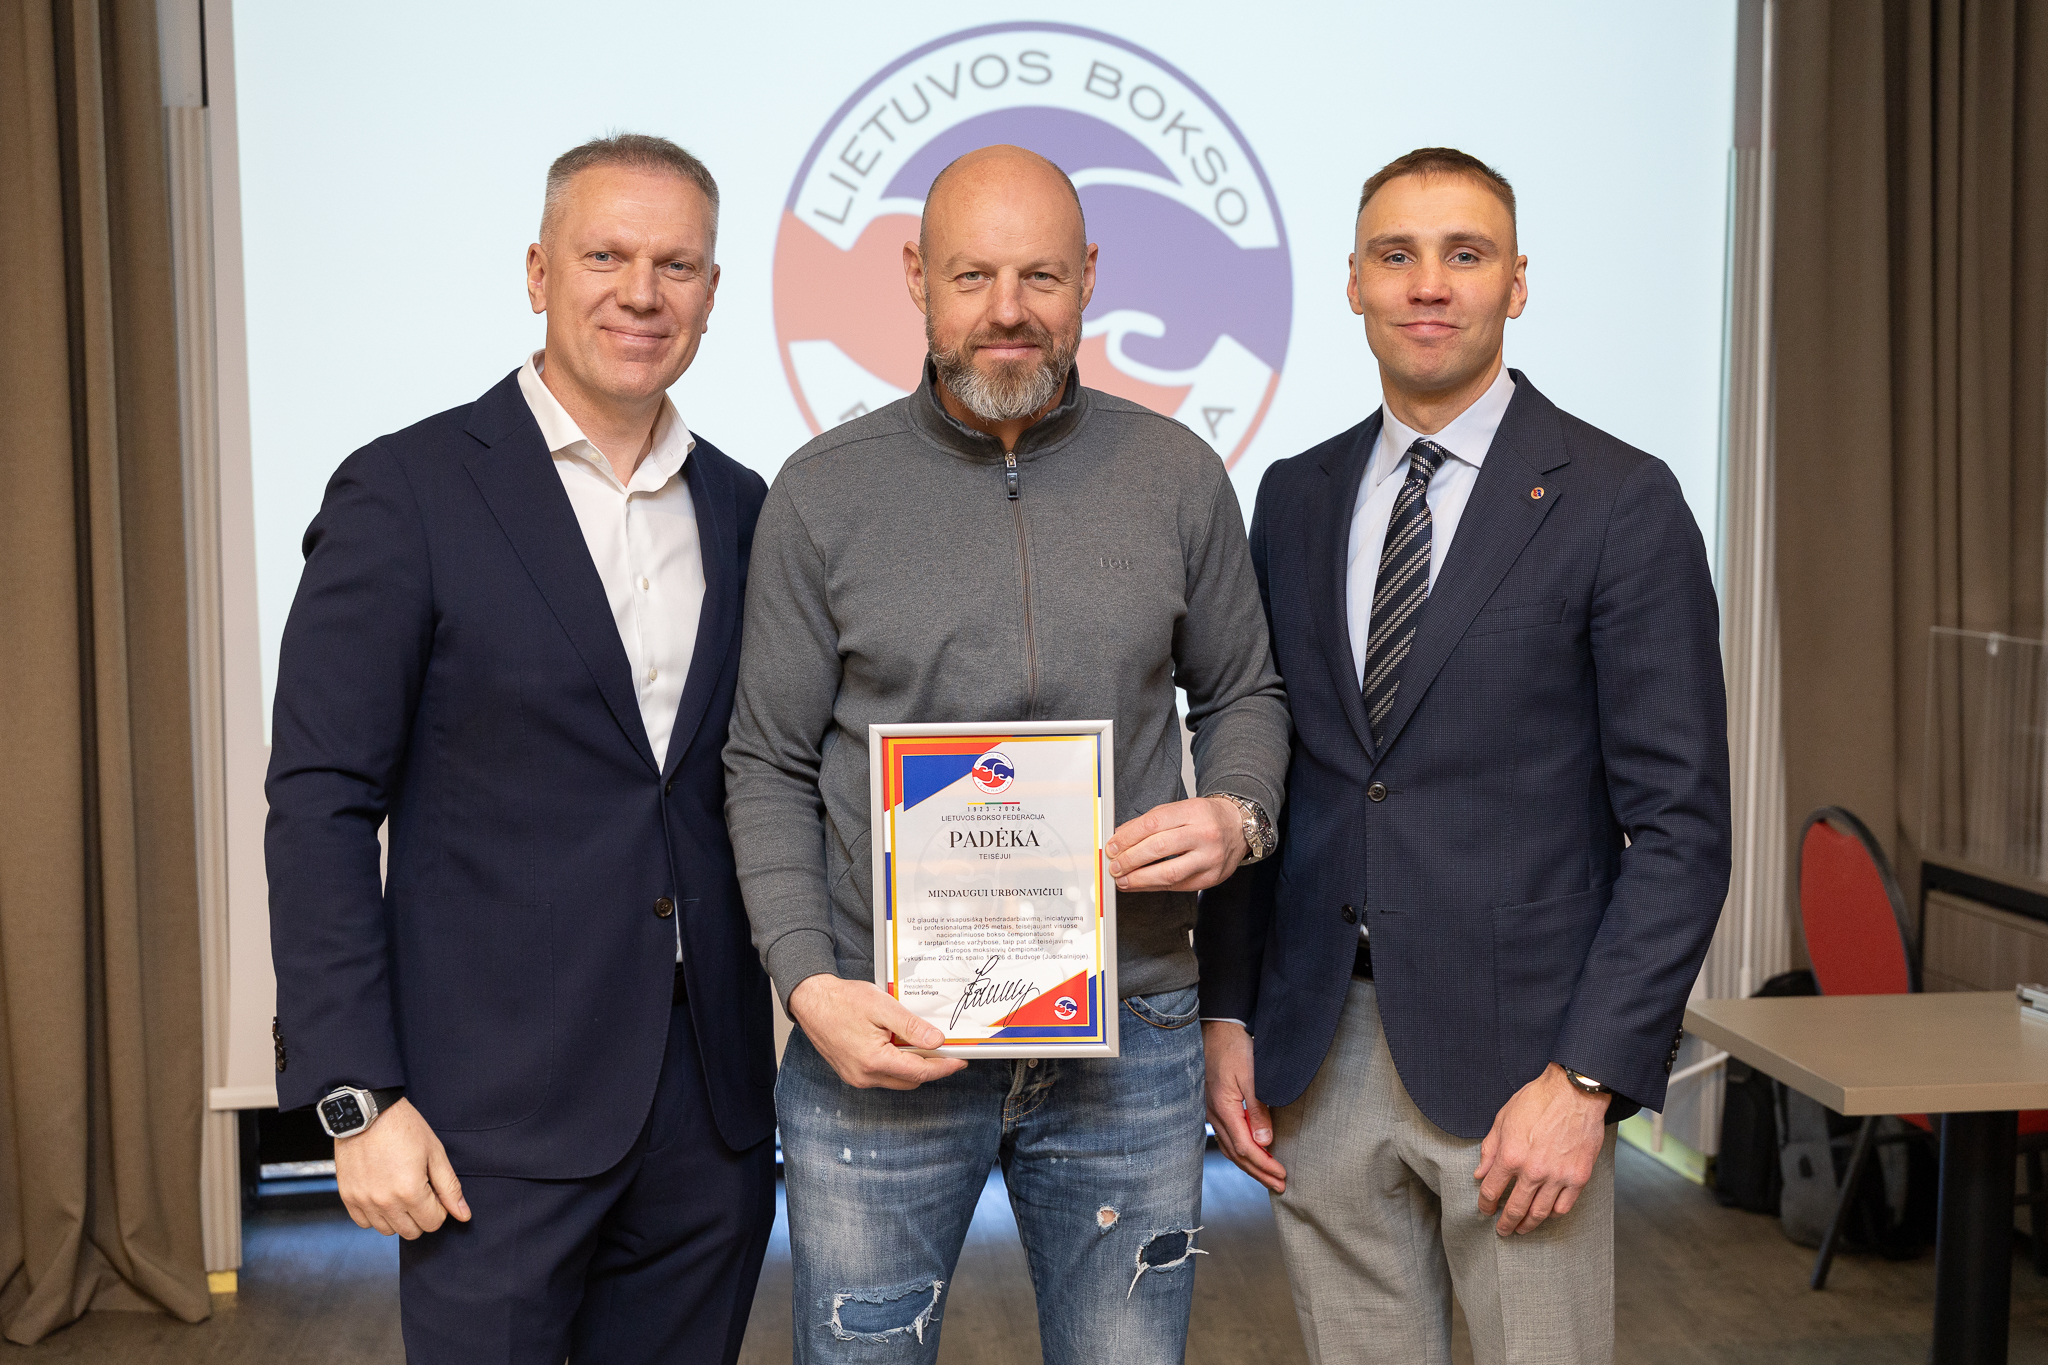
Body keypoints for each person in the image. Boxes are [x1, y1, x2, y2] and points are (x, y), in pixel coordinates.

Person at [723, 144, 1290, 1364]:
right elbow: (764, 762)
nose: (1006, 310)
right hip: (882, 1034)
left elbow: (1242, 688)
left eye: (1039, 275)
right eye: (970, 275)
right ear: (914, 277)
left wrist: (1236, 811)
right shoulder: (820, 494)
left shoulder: (1176, 475)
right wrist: (807, 984)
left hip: (1129, 1030)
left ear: (1087, 278)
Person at [1198, 147, 1731, 1365]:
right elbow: (1256, 760)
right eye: (1395, 255)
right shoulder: (1292, 495)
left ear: (1515, 283)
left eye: (1464, 254)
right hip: (1313, 1054)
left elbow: (1681, 828)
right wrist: (1226, 1011)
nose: (1427, 284)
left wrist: (1585, 1080)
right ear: (1351, 283)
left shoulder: (1618, 499)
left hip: (1523, 1069)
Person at [266, 133, 775, 1364]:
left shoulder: (746, 507)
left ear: (712, 292)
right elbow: (321, 801)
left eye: (676, 265)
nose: (641, 293)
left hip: (706, 1117)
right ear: (538, 272)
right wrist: (356, 1101)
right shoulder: (405, 492)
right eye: (605, 257)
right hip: (480, 1122)